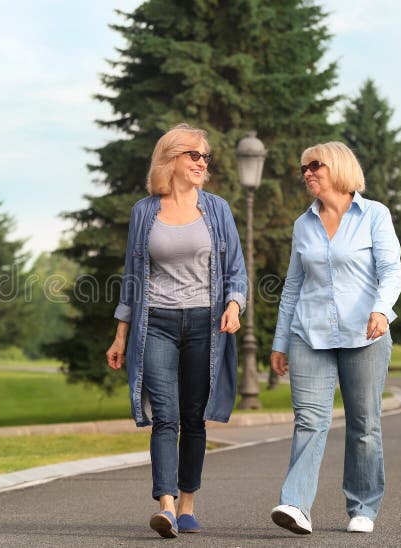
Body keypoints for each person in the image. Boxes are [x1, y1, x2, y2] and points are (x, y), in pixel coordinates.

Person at [106, 123, 247, 539]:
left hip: (206, 323)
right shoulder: (145, 211)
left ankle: (187, 503)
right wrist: (120, 335)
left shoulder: (217, 209)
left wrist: (235, 305)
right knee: (164, 415)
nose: (203, 163)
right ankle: (165, 504)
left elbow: (236, 269)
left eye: (206, 157)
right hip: (157, 324)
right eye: (194, 156)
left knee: (193, 418)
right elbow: (132, 278)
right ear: (171, 159)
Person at [269, 141, 401, 535]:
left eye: (315, 165)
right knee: (309, 421)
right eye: (303, 168)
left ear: (339, 168)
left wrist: (381, 309)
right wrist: (280, 342)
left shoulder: (374, 215)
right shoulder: (303, 224)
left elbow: (391, 270)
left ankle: (362, 506)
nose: (307, 173)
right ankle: (296, 505)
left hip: (365, 334)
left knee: (364, 424)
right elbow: (292, 288)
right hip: (309, 335)